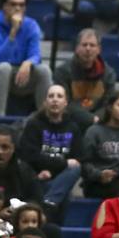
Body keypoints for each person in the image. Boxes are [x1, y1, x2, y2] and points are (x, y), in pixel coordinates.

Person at [0, 0, 52, 116]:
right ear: (4, 6)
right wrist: (13, 33)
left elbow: (35, 54)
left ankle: (44, 117)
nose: (18, 8)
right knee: (4, 68)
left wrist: (28, 62)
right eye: (13, 4)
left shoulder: (31, 25)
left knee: (44, 70)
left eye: (21, 5)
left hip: (20, 73)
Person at [18, 83, 83, 215]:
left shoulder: (73, 127)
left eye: (59, 96)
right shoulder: (34, 124)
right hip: (38, 176)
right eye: (51, 96)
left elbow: (77, 159)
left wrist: (54, 170)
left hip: (61, 179)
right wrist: (62, 163)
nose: (55, 99)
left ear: (65, 103)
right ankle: (50, 202)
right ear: (45, 102)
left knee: (76, 168)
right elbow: (29, 156)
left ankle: (48, 201)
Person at [53, 29, 117, 132]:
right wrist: (90, 119)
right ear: (77, 48)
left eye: (92, 45)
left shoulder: (108, 74)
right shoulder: (62, 72)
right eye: (84, 45)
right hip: (70, 122)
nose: (88, 49)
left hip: (98, 124)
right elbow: (65, 103)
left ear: (99, 49)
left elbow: (108, 103)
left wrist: (97, 119)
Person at [81, 92, 119, 199]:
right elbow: (85, 162)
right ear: (109, 108)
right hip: (97, 183)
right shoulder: (94, 131)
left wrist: (116, 173)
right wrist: (99, 175)